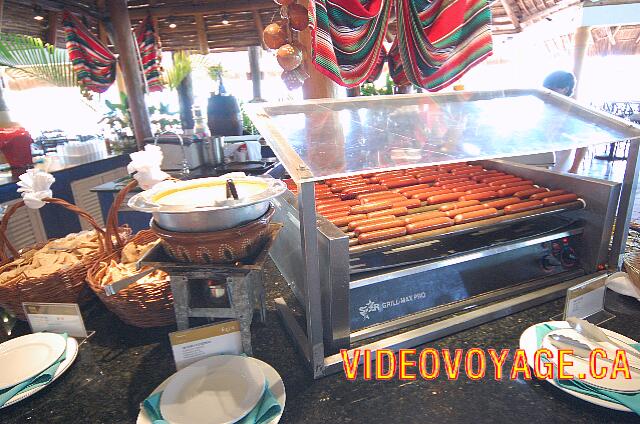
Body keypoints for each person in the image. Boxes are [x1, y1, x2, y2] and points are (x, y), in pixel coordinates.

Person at [543, 71, 587, 174]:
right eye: (545, 89)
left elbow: (583, 143)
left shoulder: (575, 110)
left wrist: (574, 169)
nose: (546, 92)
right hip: (542, 163)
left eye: (551, 89)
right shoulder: (546, 107)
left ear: (565, 89)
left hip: (562, 166)